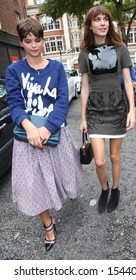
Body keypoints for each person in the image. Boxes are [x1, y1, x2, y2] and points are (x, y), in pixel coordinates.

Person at [5, 17, 83, 252]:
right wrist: (30, 128)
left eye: (38, 40)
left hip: (54, 134)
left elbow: (61, 101)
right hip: (27, 139)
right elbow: (15, 103)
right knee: (32, 185)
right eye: (28, 41)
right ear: (21, 42)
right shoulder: (14, 70)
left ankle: (58, 201)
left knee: (60, 178)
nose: (34, 45)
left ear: (43, 39)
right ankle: (48, 224)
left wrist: (47, 128)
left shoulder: (57, 68)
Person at [78, 6, 136, 214]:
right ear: (90, 25)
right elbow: (84, 87)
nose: (102, 23)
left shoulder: (120, 48)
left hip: (116, 108)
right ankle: (104, 190)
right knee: (100, 161)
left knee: (114, 158)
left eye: (106, 19)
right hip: (95, 110)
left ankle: (115, 189)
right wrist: (83, 118)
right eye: (97, 19)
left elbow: (128, 81)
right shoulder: (84, 52)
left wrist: (132, 111)